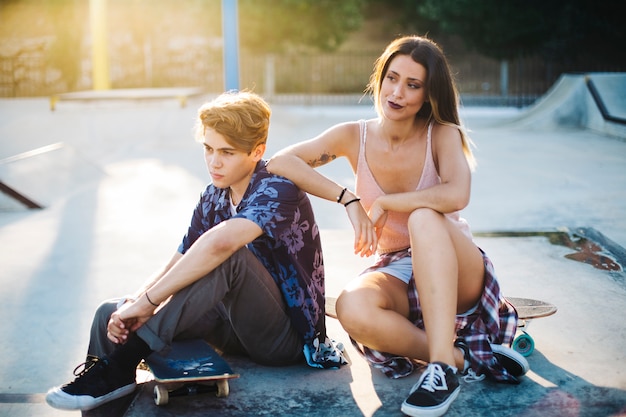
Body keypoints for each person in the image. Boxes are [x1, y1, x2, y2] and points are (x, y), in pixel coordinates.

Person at [267, 35, 528, 417]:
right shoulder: (353, 135)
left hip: (456, 268)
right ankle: (461, 357)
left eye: (413, 85)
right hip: (397, 267)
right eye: (392, 78)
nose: (397, 92)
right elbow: (280, 161)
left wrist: (389, 202)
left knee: (424, 216)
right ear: (380, 79)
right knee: (350, 306)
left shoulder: (442, 134)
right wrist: (348, 198)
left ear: (428, 95)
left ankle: (438, 370)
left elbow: (457, 194)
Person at [46, 91, 345, 411]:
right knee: (111, 311)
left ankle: (122, 364)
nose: (214, 162)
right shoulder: (213, 196)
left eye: (227, 152)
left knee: (228, 256)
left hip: (282, 337)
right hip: (229, 329)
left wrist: (149, 304)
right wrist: (136, 303)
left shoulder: (277, 187)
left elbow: (221, 244)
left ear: (256, 151)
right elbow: (182, 256)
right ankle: (104, 382)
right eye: (208, 148)